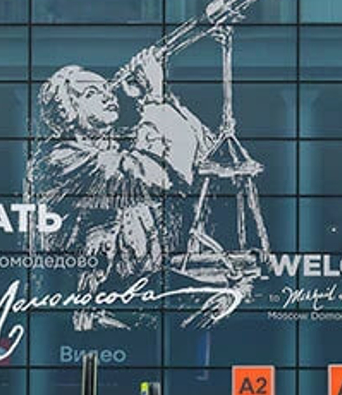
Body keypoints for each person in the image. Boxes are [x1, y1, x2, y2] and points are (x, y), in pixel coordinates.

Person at [28, 49, 211, 331]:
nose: (107, 96)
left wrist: (159, 99)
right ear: (67, 110)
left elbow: (203, 151)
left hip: (142, 295)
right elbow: (160, 176)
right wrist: (154, 98)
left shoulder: (121, 145)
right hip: (93, 311)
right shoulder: (60, 160)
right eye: (91, 93)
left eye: (107, 88)